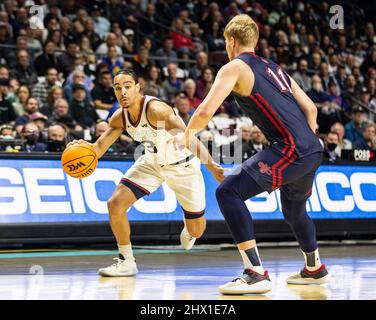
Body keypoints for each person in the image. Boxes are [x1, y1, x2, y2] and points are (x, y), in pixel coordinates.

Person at [174, 14, 329, 295]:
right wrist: (306, 141)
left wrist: (186, 136)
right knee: (294, 211)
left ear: (231, 41)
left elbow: (206, 110)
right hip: (313, 148)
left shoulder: (234, 66)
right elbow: (312, 109)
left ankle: (256, 273)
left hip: (290, 149)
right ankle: (314, 268)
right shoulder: (274, 67)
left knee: (228, 192)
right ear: (254, 42)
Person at [67, 69, 224, 277]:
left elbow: (189, 136)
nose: (122, 92)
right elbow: (97, 149)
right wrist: (83, 148)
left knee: (196, 231)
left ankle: (189, 225)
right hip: (151, 162)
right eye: (117, 88)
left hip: (182, 166)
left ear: (138, 88)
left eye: (127, 86)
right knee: (115, 204)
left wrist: (212, 166)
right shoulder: (119, 117)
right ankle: (126, 261)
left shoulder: (156, 110)